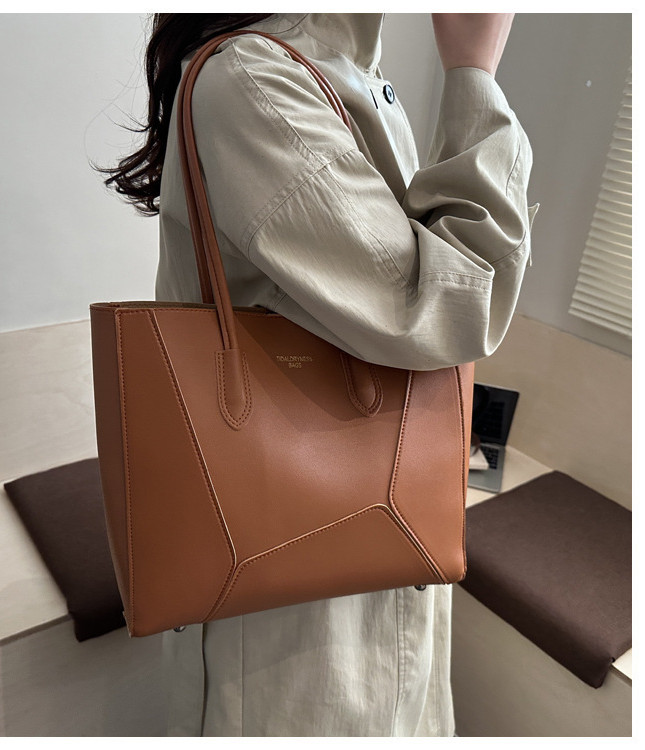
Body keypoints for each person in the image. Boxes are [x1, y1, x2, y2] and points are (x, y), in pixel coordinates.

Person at [102, 12, 536, 737]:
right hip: (295, 626)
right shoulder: (255, 77)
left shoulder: (347, 72)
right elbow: (452, 306)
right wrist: (474, 75)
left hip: (384, 536)